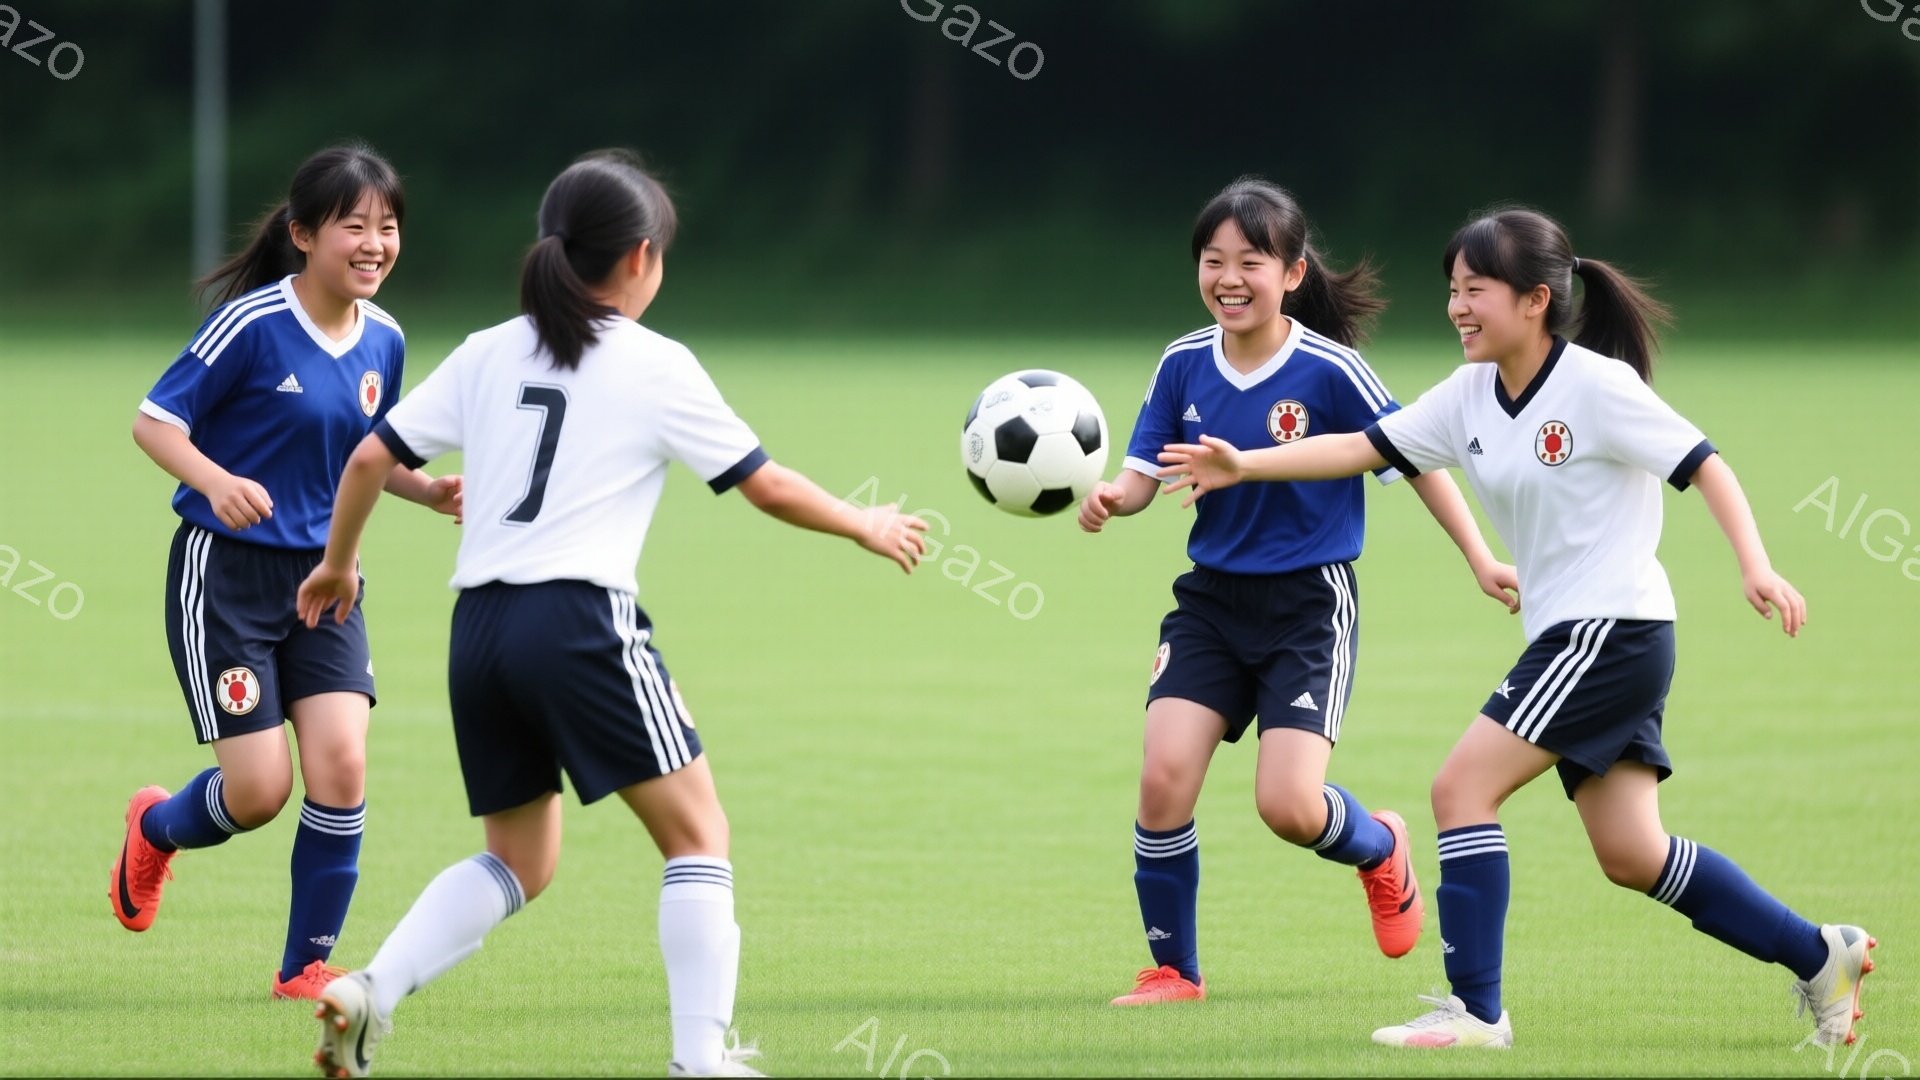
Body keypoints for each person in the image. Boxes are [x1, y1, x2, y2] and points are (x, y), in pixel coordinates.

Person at [1157, 205, 1875, 1049]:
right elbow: (1361, 448)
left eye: (1477, 291)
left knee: (1460, 790)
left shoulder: (1597, 386)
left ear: (1536, 300)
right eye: (1453, 290)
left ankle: (1477, 1013)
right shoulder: (1469, 394)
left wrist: (1756, 565)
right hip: (1580, 637)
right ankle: (1821, 954)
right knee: (1632, 854)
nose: (1457, 308)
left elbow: (1704, 464)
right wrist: (1243, 463)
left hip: (1609, 631)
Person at [294, 149, 928, 1079]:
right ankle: (699, 1060)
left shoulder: (487, 349)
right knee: (698, 836)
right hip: (579, 623)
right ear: (640, 257)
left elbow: (365, 459)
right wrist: (862, 522)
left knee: (520, 860)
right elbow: (765, 485)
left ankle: (371, 990)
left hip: (479, 633)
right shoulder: (654, 363)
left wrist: (338, 564)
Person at [1079, 178, 1518, 1007]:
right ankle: (1175, 972)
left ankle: (1379, 846)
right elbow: (1144, 473)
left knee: (1287, 806)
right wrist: (1112, 497)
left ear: (1292, 272)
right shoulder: (1181, 363)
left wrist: (1480, 558)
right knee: (1163, 776)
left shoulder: (1330, 369)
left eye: (1251, 262)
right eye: (1213, 261)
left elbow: (1416, 459)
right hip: (1211, 604)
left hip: (1309, 609)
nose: (1229, 278)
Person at [112, 142, 462, 1000]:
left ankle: (303, 967)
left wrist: (427, 490)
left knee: (342, 764)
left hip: (327, 580)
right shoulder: (252, 325)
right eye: (355, 226)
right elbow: (155, 422)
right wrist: (215, 481)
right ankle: (155, 828)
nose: (375, 244)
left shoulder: (385, 338)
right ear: (303, 234)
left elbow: (365, 451)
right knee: (261, 791)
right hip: (225, 580)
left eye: (388, 227)